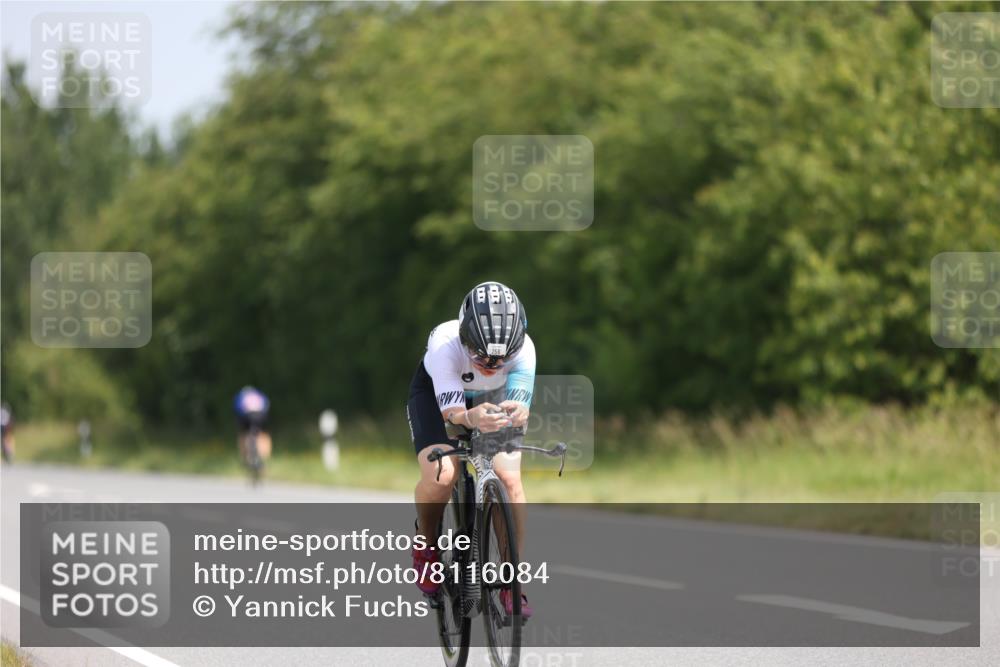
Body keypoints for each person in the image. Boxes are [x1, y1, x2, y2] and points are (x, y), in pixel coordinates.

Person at [406, 281, 535, 617]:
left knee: (509, 480)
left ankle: (511, 580)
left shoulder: (525, 349)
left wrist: (519, 409)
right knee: (442, 473)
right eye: (479, 356)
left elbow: (520, 405)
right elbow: (453, 417)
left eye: (500, 359)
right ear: (465, 338)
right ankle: (426, 547)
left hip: (491, 400)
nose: (490, 365)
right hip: (440, 400)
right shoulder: (444, 346)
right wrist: (468, 416)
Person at [233, 386, 272, 464]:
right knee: (264, 433)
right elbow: (266, 404)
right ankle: (265, 455)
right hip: (261, 415)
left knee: (243, 433)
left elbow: (237, 409)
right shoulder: (259, 394)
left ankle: (244, 456)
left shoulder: (241, 396)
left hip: (247, 416)